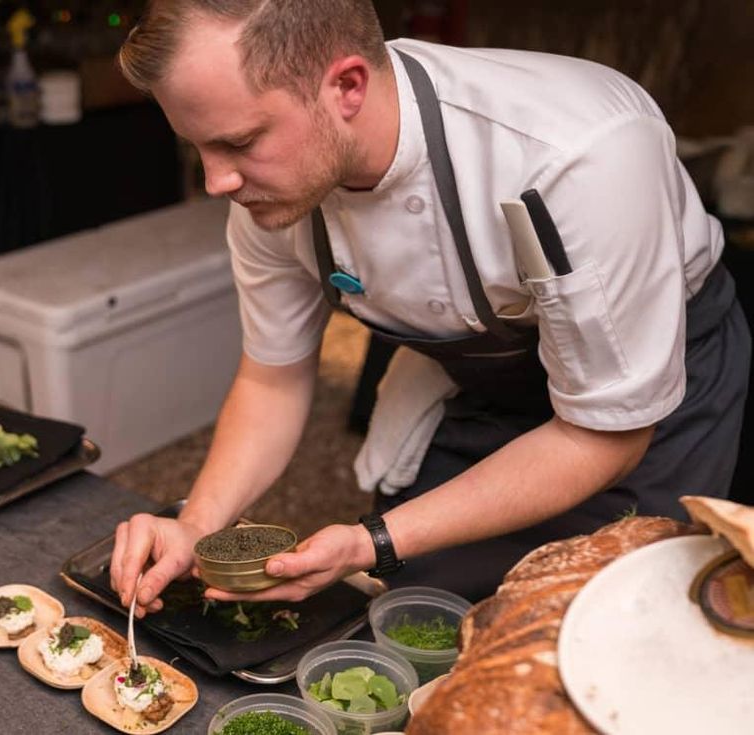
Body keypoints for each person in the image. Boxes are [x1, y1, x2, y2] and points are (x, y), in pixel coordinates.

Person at [109, 0, 750, 614]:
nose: (217, 181)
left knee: (605, 622)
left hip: (647, 397)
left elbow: (603, 433)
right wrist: (195, 523)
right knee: (427, 606)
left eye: (241, 142)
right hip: (482, 379)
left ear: (348, 87)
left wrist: (371, 542)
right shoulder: (268, 191)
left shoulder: (574, 154)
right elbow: (272, 377)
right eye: (200, 149)